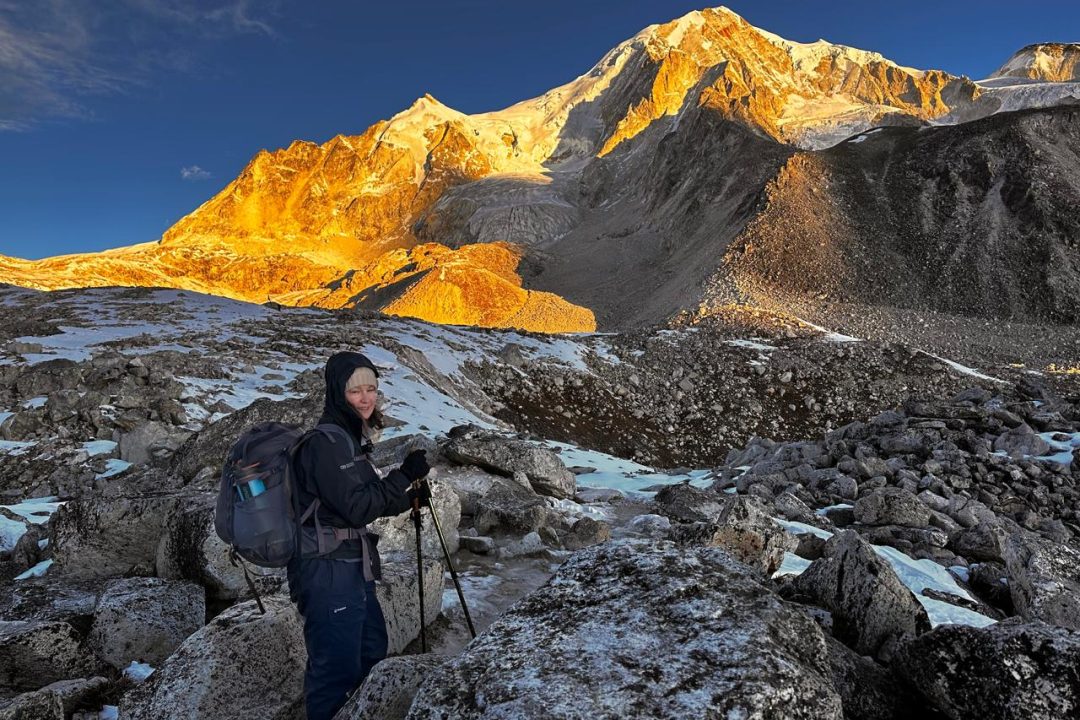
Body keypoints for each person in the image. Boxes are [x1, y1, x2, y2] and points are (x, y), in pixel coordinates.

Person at [287, 351, 430, 720]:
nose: (366, 398)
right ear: (337, 393)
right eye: (355, 391)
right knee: (335, 671)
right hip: (326, 569)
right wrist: (403, 475)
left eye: (371, 389)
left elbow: (365, 499)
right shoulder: (326, 443)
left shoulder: (348, 439)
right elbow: (357, 508)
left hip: (352, 566)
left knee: (370, 655)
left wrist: (408, 496)